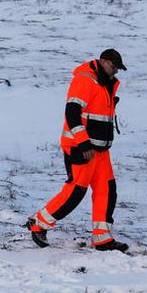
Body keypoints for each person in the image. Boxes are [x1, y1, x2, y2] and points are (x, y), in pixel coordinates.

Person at [27, 48, 128, 252]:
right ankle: (38, 223)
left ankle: (102, 238)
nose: (116, 72)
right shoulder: (84, 80)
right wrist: (83, 144)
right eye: (114, 67)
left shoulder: (106, 83)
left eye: (118, 69)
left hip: (100, 150)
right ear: (103, 61)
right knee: (75, 193)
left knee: (107, 191)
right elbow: (72, 114)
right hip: (81, 149)